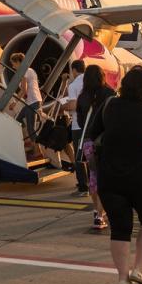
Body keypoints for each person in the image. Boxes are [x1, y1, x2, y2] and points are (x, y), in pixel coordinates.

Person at [86, 67, 142, 284]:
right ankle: (139, 269)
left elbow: (93, 134)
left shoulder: (110, 104)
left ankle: (122, 278)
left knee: (120, 229)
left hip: (111, 177)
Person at [78, 64, 117, 229]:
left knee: (93, 177)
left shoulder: (83, 97)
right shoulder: (110, 94)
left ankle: (97, 211)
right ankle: (102, 213)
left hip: (88, 140)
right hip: (106, 141)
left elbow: (80, 122)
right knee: (107, 179)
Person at [60, 60, 88, 196]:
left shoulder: (75, 85)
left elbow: (73, 106)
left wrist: (62, 108)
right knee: (89, 155)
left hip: (78, 125)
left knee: (79, 156)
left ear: (74, 70)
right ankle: (89, 182)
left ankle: (83, 187)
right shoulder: (90, 82)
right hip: (91, 124)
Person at [10, 52, 44, 157]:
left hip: (33, 102)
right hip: (33, 101)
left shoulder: (24, 71)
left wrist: (15, 102)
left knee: (31, 128)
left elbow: (24, 90)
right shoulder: (31, 71)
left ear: (19, 62)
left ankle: (38, 151)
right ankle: (28, 141)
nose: (12, 66)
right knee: (18, 120)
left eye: (13, 63)